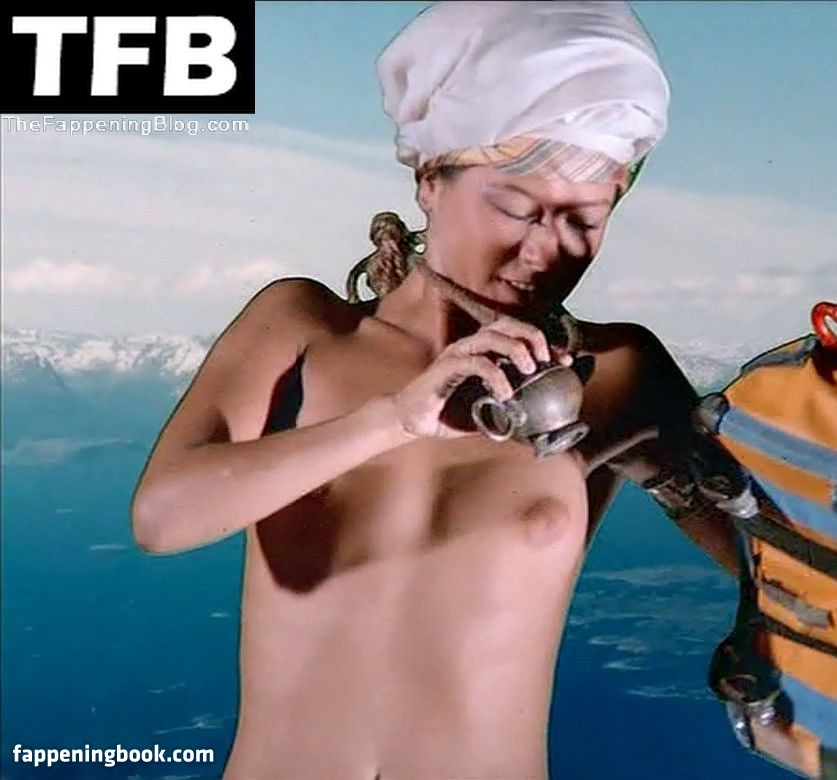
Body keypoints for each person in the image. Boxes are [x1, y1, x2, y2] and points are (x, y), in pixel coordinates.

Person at [130, 3, 739, 778]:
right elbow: (162, 517)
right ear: (429, 181)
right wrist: (394, 419)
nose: (545, 250)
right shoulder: (304, 328)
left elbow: (791, 576)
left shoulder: (615, 372)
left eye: (585, 220)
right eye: (515, 207)